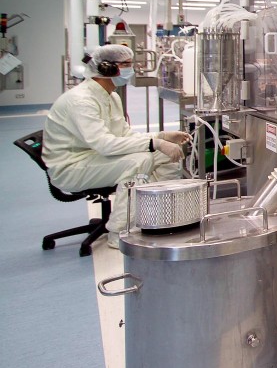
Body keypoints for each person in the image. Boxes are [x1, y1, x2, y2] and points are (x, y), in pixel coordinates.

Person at [42, 44, 189, 249]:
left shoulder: (111, 96)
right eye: (126, 65)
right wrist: (156, 143)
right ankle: (120, 231)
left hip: (93, 157)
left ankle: (156, 216)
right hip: (71, 166)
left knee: (166, 156)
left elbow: (123, 135)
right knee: (141, 160)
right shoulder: (81, 101)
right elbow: (105, 145)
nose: (132, 70)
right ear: (106, 68)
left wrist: (162, 136)